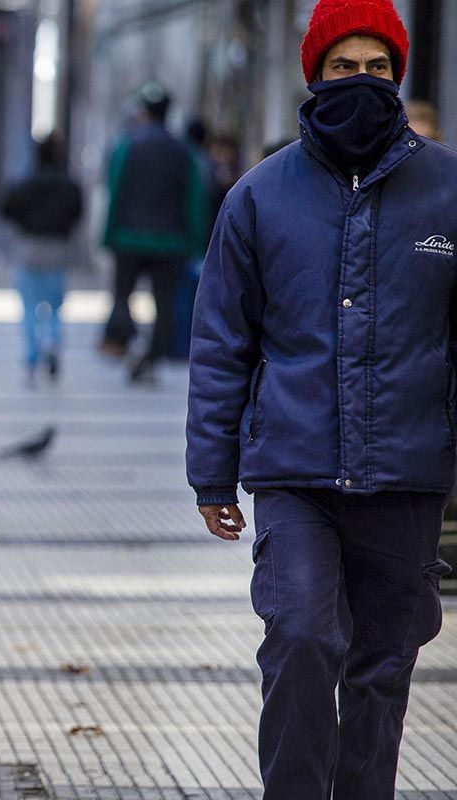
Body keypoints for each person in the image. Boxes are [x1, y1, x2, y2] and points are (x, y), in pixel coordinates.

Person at [186, 2, 454, 797]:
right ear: (315, 75)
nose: (363, 82)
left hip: (406, 476)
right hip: (296, 474)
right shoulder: (260, 197)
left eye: (379, 68)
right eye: (346, 67)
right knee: (302, 640)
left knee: (381, 668)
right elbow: (220, 344)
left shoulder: (447, 190)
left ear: (398, 75)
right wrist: (211, 474)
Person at [101, 82, 207, 383]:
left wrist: (108, 236)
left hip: (128, 238)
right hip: (170, 241)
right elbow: (194, 201)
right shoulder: (183, 151)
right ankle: (151, 358)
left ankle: (126, 341)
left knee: (123, 296)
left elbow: (116, 191)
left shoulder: (128, 144)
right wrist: (195, 243)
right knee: (165, 304)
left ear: (144, 112)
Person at [0, 132, 83, 384]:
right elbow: (78, 210)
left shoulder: (26, 181)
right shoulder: (68, 183)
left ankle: (32, 356)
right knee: (55, 305)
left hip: (30, 246)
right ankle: (53, 342)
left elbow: (5, 207)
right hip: (57, 247)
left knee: (29, 306)